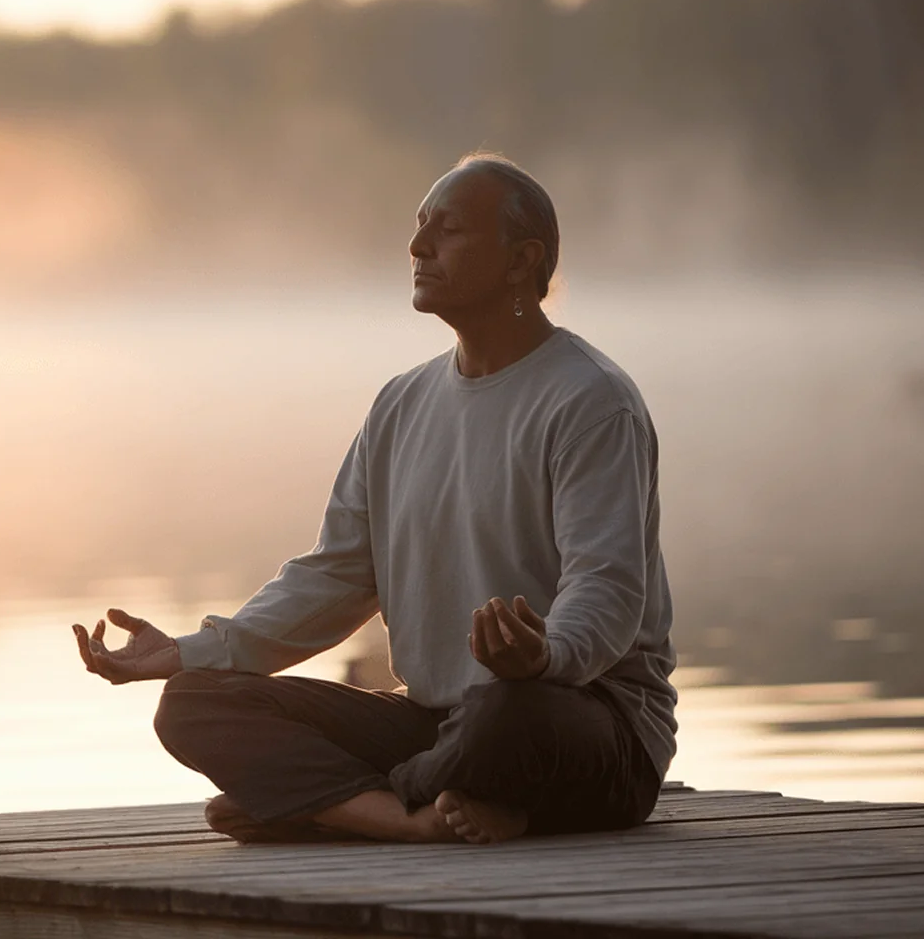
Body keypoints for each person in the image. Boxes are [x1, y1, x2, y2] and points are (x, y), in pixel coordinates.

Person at [73, 153, 677, 845]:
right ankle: (414, 817)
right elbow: (335, 577)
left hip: (580, 719)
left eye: (446, 230)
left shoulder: (590, 400)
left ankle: (326, 801)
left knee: (507, 714)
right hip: (437, 722)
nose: (418, 247)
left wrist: (543, 659)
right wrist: (187, 651)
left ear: (521, 261)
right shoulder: (402, 403)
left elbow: (606, 590)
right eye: (420, 227)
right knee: (194, 704)